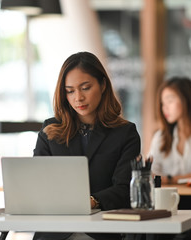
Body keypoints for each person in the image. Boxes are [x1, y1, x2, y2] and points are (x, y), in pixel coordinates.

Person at [33, 51, 141, 240]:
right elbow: (36, 183)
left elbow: (125, 189)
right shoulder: (50, 130)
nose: (78, 98)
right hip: (55, 233)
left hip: (100, 233)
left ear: (103, 85)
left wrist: (93, 201)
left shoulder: (125, 133)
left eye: (85, 88)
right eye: (70, 91)